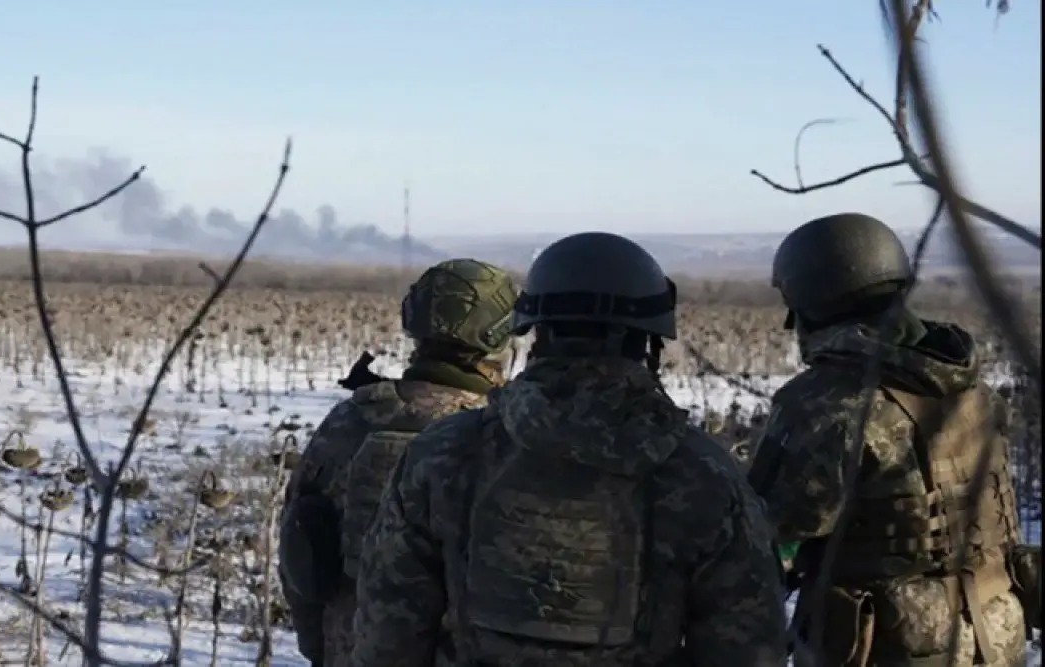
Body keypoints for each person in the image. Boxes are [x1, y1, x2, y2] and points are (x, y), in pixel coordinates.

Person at [349, 232, 789, 667]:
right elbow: (748, 647)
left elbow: (389, 632)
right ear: (649, 340)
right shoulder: (705, 477)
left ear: (533, 330)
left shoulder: (442, 456)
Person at [747, 212, 1031, 667]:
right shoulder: (973, 389)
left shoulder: (826, 401)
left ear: (814, 301)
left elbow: (766, 531)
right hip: (996, 633)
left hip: (890, 644)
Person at [278, 258, 520, 667]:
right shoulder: (501, 436)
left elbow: (299, 554)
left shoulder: (352, 420)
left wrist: (322, 651)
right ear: (497, 340)